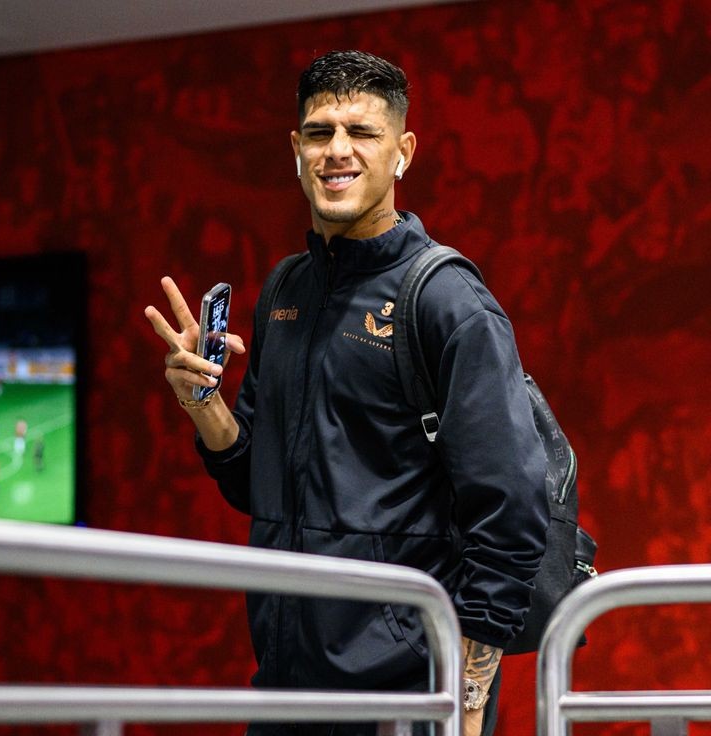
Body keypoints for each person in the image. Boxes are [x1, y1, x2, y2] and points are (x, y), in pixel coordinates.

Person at [145, 50, 549, 736]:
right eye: (319, 132)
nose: (337, 150)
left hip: (407, 698)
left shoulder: (447, 300)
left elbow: (510, 513)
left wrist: (466, 699)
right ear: (296, 150)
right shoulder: (286, 290)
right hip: (284, 690)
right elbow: (255, 484)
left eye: (361, 132)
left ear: (403, 153)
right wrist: (203, 402)